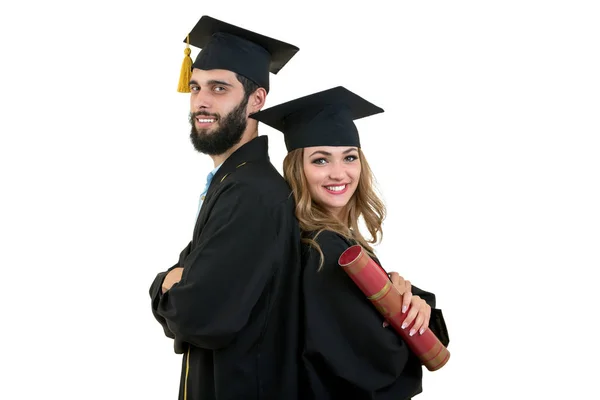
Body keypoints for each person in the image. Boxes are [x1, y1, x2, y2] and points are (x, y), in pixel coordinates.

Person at [251, 86, 450, 399]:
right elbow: (367, 362)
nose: (338, 173)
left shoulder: (325, 239)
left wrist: (413, 301)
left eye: (349, 157)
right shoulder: (324, 250)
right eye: (320, 160)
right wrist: (416, 329)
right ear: (297, 169)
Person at [148, 16, 303, 400]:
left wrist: (165, 285)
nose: (201, 100)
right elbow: (191, 276)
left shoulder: (252, 192)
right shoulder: (235, 179)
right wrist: (176, 281)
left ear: (257, 100)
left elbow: (199, 315)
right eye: (196, 86)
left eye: (219, 88)